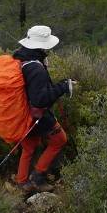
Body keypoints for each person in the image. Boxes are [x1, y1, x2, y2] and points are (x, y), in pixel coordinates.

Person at [13, 25, 76, 193]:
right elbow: (40, 100)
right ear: (42, 46)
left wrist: (60, 83)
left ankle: (21, 182)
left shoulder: (20, 58)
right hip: (37, 117)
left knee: (29, 146)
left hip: (21, 114)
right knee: (59, 140)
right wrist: (63, 87)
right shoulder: (35, 68)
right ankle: (38, 177)